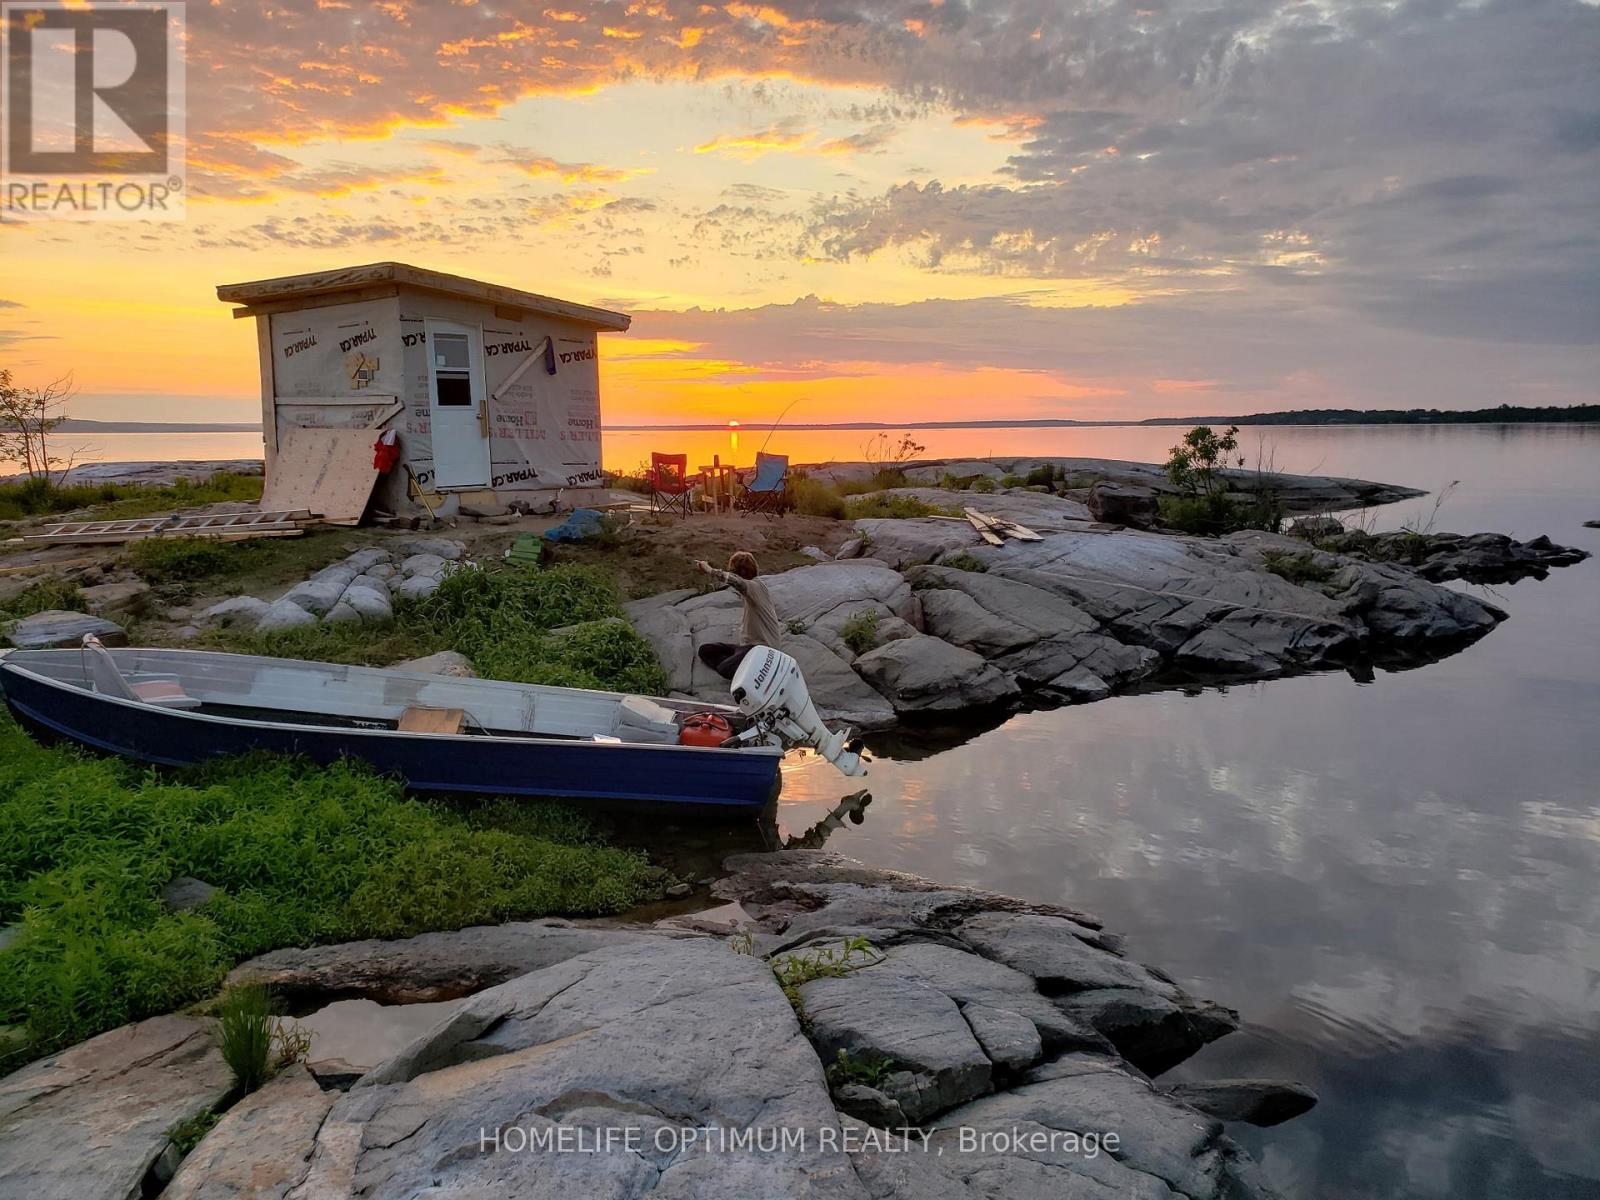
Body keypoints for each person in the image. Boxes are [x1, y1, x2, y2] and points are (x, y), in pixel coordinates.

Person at [695, 551, 783, 679]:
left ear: (739, 573)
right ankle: (745, 664)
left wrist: (710, 570)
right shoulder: (756, 586)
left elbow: (737, 582)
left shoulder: (754, 587)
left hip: (763, 650)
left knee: (724, 668)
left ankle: (752, 671)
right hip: (747, 647)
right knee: (705, 650)